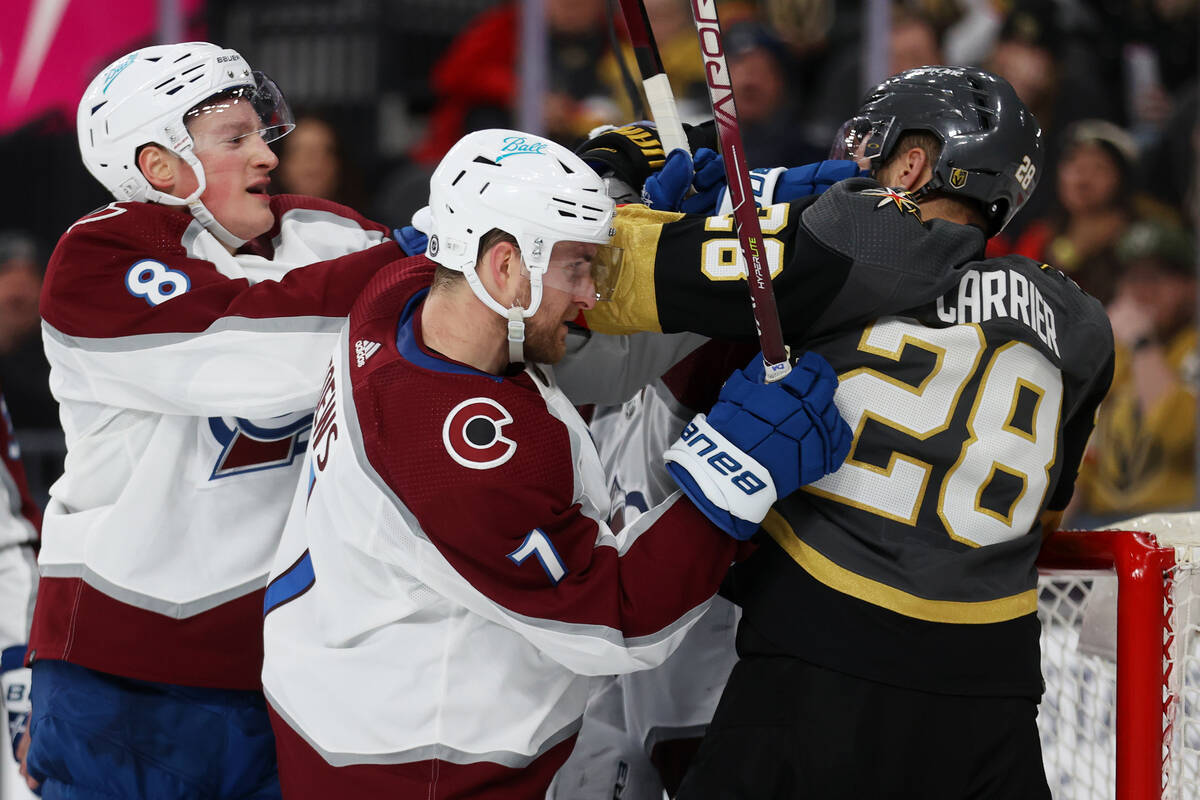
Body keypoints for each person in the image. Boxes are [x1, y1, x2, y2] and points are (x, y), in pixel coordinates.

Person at [259, 127, 852, 798]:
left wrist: (635, 218)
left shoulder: (402, 294)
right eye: (576, 267)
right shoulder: (459, 456)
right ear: (505, 267)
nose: (591, 295)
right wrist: (734, 469)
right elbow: (621, 619)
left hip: (361, 694)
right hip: (420, 769)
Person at [571, 66, 1114, 798]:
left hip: (822, 667)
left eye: (870, 150)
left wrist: (616, 176)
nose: (851, 168)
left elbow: (606, 280)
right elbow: (1049, 509)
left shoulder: (857, 239)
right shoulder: (1081, 323)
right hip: (995, 698)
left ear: (913, 164)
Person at [25, 41, 410, 798]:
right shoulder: (99, 255)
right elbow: (256, 348)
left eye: (262, 132)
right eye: (235, 139)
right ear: (160, 168)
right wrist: (423, 259)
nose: (268, 155)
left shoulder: (332, 236)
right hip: (123, 679)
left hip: (288, 671)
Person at [1072, 220, 1197, 525]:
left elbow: (1179, 436)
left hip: (1176, 526)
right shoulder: (1116, 355)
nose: (1143, 291)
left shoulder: (1189, 347)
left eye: (1158, 277)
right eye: (1133, 278)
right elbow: (1081, 464)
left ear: (1192, 286)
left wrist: (1142, 344)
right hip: (1102, 525)